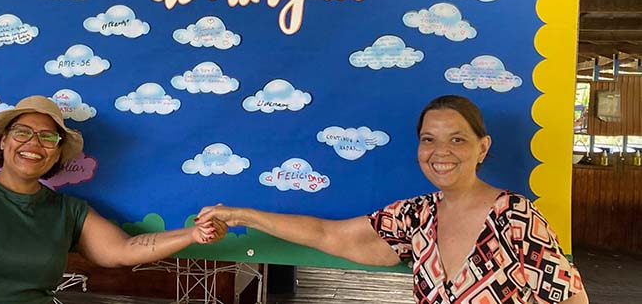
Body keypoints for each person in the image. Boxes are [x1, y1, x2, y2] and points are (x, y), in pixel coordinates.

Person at [197, 95, 588, 304]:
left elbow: (570, 299)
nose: (441, 152)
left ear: (482, 147)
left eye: (457, 139)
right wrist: (241, 214)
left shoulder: (515, 216)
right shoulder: (417, 217)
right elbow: (327, 234)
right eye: (428, 139)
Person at [0, 95, 226, 304]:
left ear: (56, 154)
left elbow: (126, 250)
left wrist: (192, 234)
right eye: (22, 132)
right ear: (3, 142)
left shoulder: (68, 212)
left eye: (47, 137)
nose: (33, 143)